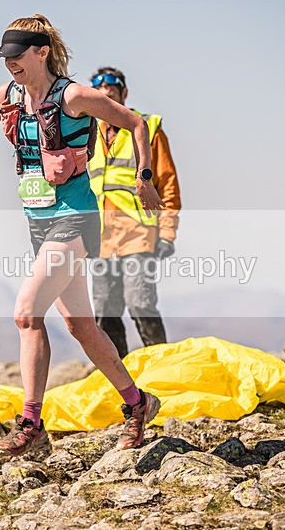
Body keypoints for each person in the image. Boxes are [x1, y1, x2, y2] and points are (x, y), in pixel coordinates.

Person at [0, 15, 163, 455]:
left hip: (77, 218)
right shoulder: (6, 96)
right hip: (38, 221)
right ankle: (138, 404)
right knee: (81, 326)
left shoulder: (75, 96)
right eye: (5, 58)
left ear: (42, 52)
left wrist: (144, 176)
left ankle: (31, 422)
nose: (9, 65)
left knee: (26, 312)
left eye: (17, 56)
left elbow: (136, 123)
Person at [88, 67, 182, 359]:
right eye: (99, 95)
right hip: (100, 239)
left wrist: (167, 233)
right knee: (105, 311)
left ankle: (162, 369)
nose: (106, 98)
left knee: (140, 303)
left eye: (112, 93)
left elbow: (167, 184)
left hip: (138, 234)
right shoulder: (86, 132)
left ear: (124, 94)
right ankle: (122, 382)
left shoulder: (147, 128)